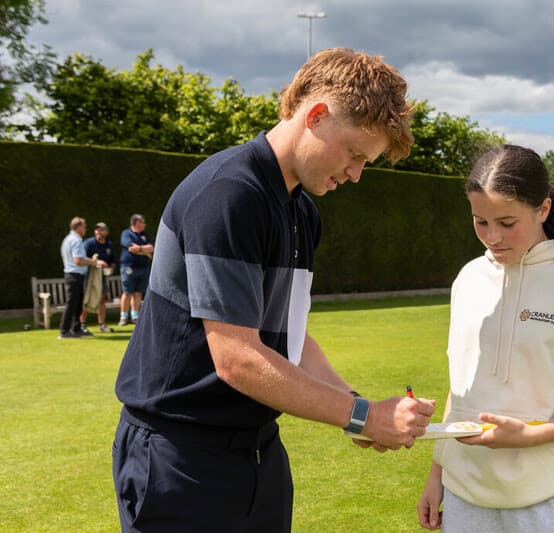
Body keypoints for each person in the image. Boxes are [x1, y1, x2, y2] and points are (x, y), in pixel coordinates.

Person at [112, 48, 435, 533]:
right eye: (353, 154)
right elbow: (238, 358)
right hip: (179, 456)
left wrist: (356, 403)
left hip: (257, 452)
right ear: (317, 116)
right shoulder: (229, 194)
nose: (355, 174)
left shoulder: (303, 213)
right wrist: (362, 416)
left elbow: (292, 337)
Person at [417, 145, 554, 532]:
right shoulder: (469, 279)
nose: (492, 237)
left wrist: (533, 435)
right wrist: (437, 473)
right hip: (464, 495)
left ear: (542, 209)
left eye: (507, 222)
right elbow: (463, 385)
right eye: (480, 221)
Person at [58, 217, 106, 339]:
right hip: (74, 275)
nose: (86, 229)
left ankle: (77, 328)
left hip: (74, 275)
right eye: (84, 227)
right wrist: (93, 261)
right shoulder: (76, 240)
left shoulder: (69, 239)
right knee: (72, 303)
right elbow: (78, 260)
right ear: (78, 227)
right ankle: (64, 331)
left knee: (78, 304)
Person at [79, 222, 116, 333]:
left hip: (102, 277)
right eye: (97, 230)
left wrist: (111, 269)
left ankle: (102, 325)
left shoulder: (109, 245)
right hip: (89, 276)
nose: (98, 232)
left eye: (101, 230)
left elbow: (113, 261)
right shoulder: (89, 243)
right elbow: (82, 258)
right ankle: (81, 324)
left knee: (102, 299)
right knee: (87, 299)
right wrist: (97, 262)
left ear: (106, 232)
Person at [118, 213, 153, 326]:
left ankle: (135, 316)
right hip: (129, 268)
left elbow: (151, 248)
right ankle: (123, 317)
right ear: (137, 223)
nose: (144, 224)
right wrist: (145, 252)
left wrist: (140, 249)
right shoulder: (126, 234)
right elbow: (131, 248)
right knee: (127, 292)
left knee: (138, 293)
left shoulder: (145, 235)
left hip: (143, 268)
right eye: (143, 222)